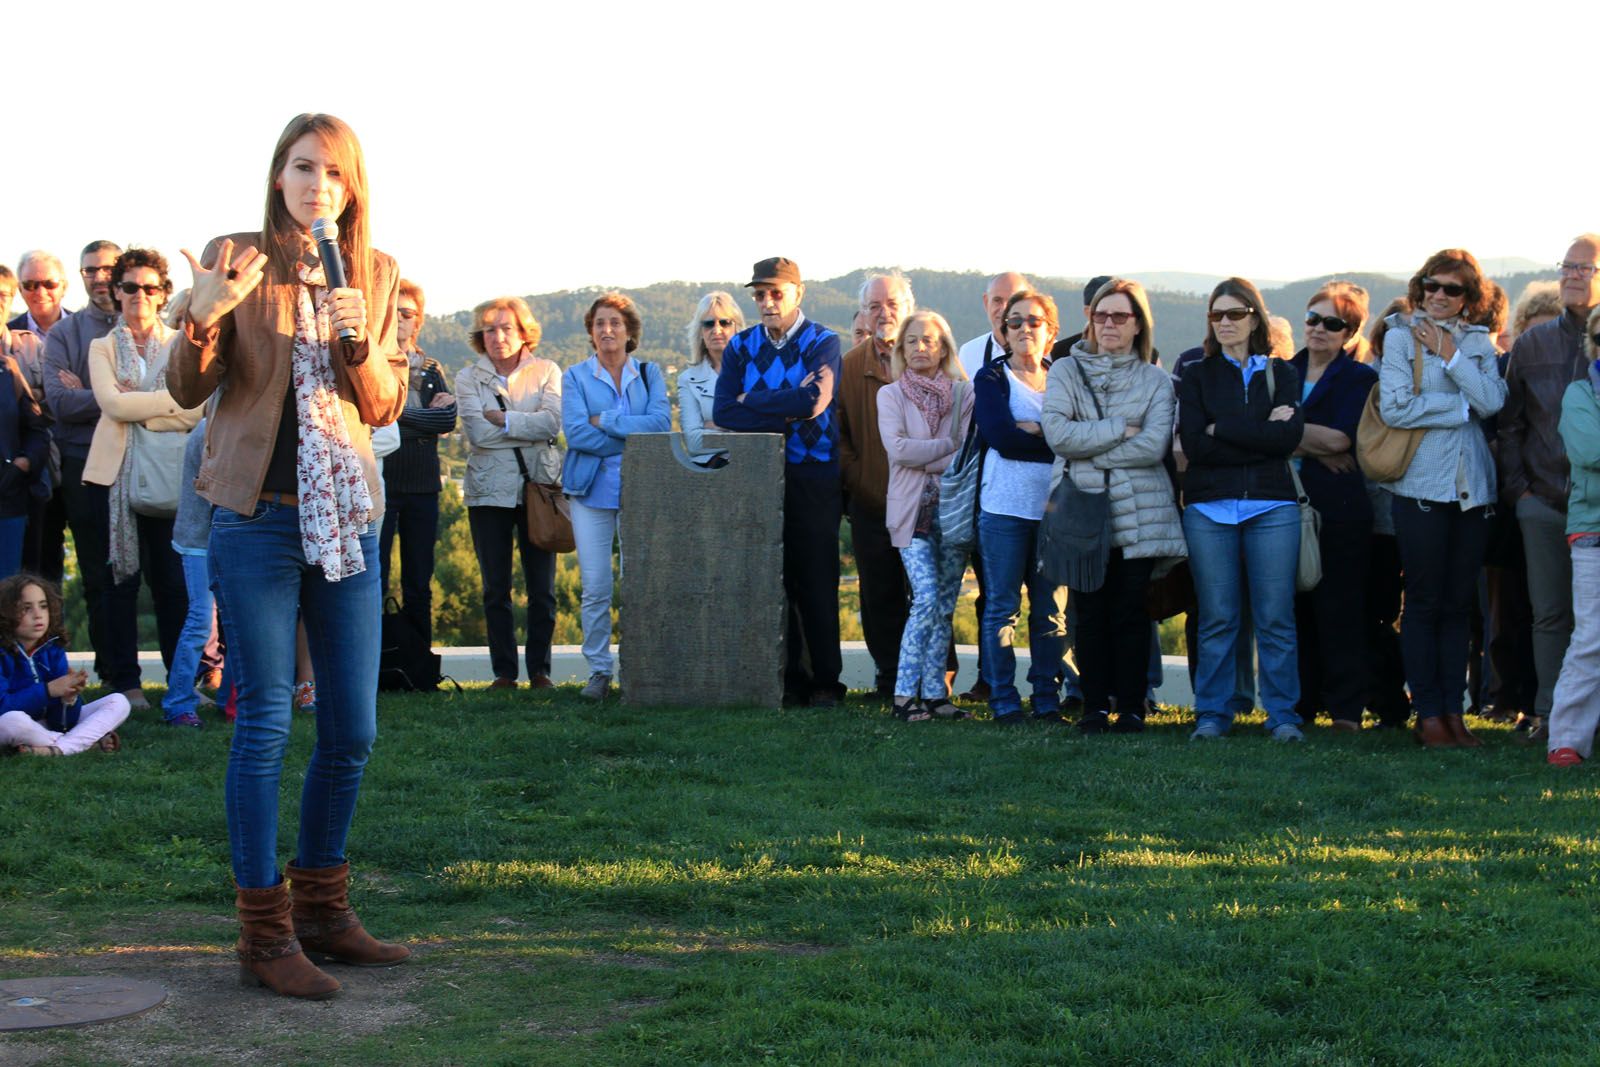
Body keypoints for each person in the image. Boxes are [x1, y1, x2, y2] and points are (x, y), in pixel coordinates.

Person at [167, 113, 412, 999]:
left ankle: (323, 909)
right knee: (267, 718)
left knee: (353, 728)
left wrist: (359, 341)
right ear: (278, 177)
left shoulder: (376, 273)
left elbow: (381, 406)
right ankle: (264, 932)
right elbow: (187, 389)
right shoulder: (236, 256)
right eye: (302, 168)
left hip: (343, 515)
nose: (318, 185)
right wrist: (199, 321)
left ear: (351, 189)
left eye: (334, 173)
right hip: (256, 519)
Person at [1042, 279, 1184, 734]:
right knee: (1088, 610)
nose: (1108, 324)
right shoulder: (1064, 370)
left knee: (1129, 611)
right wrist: (1120, 426)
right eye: (1100, 315)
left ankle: (1131, 707)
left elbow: (1152, 446)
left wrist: (1091, 445)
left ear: (1138, 323)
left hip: (1140, 512)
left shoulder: (1156, 379)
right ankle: (1093, 707)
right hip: (1083, 509)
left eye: (1119, 316)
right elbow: (1058, 435)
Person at [1379, 249, 1507, 748]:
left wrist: (1451, 356)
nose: (1438, 296)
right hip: (1419, 490)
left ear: (1468, 298)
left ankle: (1455, 712)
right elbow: (1395, 408)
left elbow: (1494, 402)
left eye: (1451, 289)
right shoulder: (1398, 337)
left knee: (1459, 608)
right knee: (1425, 603)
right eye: (1431, 285)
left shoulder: (1476, 342)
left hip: (1472, 493)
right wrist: (1460, 404)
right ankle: (1428, 712)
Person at [1177, 278, 1306, 741]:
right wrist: (1256, 433)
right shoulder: (1196, 374)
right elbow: (1194, 445)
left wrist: (1220, 429)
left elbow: (1287, 441)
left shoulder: (1283, 373)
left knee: (1275, 616)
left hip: (1272, 507)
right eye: (1217, 315)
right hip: (1210, 509)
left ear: (1255, 317)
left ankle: (1283, 715)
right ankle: (1212, 712)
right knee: (1217, 617)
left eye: (1235, 314)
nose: (1225, 323)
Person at [713, 257, 844, 707]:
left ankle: (826, 681)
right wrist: (781, 402)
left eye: (776, 292)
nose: (767, 302)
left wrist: (755, 399)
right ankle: (790, 679)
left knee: (817, 578)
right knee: (773, 579)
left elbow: (814, 402)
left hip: (814, 472)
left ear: (797, 293)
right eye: (760, 294)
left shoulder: (823, 341)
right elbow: (723, 411)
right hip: (760, 472)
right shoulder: (741, 345)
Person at [83, 248, 199, 695]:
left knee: (172, 585)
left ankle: (181, 683)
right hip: (111, 477)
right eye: (130, 286)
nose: (140, 295)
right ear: (116, 292)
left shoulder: (179, 345)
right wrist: (165, 403)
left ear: (163, 293)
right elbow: (110, 403)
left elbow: (195, 407)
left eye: (151, 288)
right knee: (119, 584)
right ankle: (127, 685)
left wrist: (142, 409)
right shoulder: (102, 347)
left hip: (170, 476)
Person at [1498, 236, 1600, 741]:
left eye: (1585, 267)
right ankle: (1547, 713)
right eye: (1567, 266)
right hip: (1543, 501)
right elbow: (1511, 424)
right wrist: (1521, 493)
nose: (1573, 275)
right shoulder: (1532, 345)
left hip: (1597, 504)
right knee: (1550, 614)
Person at [562, 292, 671, 700]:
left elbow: (661, 423)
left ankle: (639, 668)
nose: (607, 330)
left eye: (615, 323)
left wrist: (606, 420)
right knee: (595, 586)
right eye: (599, 323)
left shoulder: (649, 373)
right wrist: (631, 437)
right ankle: (599, 671)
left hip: (641, 492)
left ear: (630, 332)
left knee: (639, 583)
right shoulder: (575, 376)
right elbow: (576, 434)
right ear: (591, 332)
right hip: (590, 492)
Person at [43, 240, 135, 705]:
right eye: (89, 271)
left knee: (164, 574)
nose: (99, 278)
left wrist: (97, 394)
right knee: (101, 574)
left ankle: (189, 678)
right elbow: (59, 405)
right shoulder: (66, 334)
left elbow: (174, 396)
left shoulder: (144, 323)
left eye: (107, 269)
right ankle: (115, 672)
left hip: (147, 460)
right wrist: (120, 397)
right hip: (86, 465)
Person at [455, 296, 563, 691]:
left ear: (523, 333)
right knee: (495, 588)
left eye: (506, 328)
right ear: (480, 335)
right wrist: (526, 425)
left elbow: (553, 423)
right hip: (488, 493)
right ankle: (503, 673)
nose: (498, 337)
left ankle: (541, 672)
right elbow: (476, 433)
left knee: (542, 589)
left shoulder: (547, 370)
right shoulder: (468, 377)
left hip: (538, 488)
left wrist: (504, 419)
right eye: (490, 329)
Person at [973, 290, 1068, 724]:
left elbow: (1078, 439)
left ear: (1051, 330)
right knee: (1002, 607)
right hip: (1004, 510)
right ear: (1004, 331)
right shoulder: (990, 379)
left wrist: (1036, 430)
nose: (1024, 329)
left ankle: (1047, 700)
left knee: (1051, 610)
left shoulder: (1065, 378)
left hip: (1055, 511)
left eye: (1034, 321)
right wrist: (1053, 438)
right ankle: (1004, 700)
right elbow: (1000, 437)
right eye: (1015, 322)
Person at [1289, 282, 1379, 731]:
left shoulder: (1361, 379)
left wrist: (1288, 436)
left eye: (1332, 323)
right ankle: (1300, 704)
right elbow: (1259, 434)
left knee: (1340, 607)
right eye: (1312, 319)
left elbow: (1343, 438)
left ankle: (1345, 709)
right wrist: (1315, 444)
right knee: (1295, 609)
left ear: (1350, 333)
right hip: (1285, 505)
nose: (1319, 329)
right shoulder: (1281, 372)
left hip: (1340, 509)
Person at [878, 310, 972, 721]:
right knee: (926, 598)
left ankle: (936, 695)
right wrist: (943, 446)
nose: (920, 347)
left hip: (953, 512)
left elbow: (965, 453)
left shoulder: (964, 395)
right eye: (912, 340)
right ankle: (903, 696)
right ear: (901, 348)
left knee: (946, 604)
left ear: (944, 347)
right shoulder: (891, 396)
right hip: (910, 513)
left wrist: (933, 451)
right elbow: (897, 450)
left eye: (928, 340)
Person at [954, 270, 1031, 702]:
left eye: (1014, 302)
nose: (1005, 309)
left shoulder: (1048, 356)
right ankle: (989, 680)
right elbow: (976, 424)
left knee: (1048, 601)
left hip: (1039, 493)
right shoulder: (969, 352)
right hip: (984, 488)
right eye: (998, 301)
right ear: (986, 303)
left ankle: (1051, 683)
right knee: (993, 594)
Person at [838, 271, 915, 696]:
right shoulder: (848, 367)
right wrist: (858, 479)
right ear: (864, 313)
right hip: (872, 503)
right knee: (879, 595)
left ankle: (934, 676)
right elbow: (839, 435)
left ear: (908, 308)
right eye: (874, 306)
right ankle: (890, 677)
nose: (884, 313)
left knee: (928, 593)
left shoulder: (931, 356)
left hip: (925, 503)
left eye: (892, 304)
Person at [379, 278, 455, 652]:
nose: (400, 321)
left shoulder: (431, 368)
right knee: (374, 579)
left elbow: (447, 421)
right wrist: (420, 419)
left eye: (407, 314)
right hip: (381, 484)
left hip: (423, 488)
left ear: (418, 321)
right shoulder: (373, 365)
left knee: (418, 582)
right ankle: (374, 663)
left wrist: (397, 420)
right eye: (393, 313)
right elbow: (373, 420)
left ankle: (418, 659)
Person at [1546, 305, 1600, 765]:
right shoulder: (1580, 394)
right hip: (1594, 532)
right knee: (1592, 639)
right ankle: (1567, 740)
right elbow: (1589, 450)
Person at [0, 575, 128, 756]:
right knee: (12, 721)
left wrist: (69, 699)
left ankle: (54, 749)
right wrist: (49, 690)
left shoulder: (53, 648)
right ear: (6, 613)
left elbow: (62, 723)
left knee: (119, 702)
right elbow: (3, 707)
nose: (38, 614)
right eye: (26, 608)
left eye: (43, 606)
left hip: (44, 727)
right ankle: (86, 744)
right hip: (13, 723)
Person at [0, 278, 48, 576]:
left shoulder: (8, 369)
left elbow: (37, 430)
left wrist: (23, 463)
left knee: (7, 598)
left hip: (6, 501)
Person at [678, 291, 743, 459]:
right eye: (708, 324)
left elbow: (763, 432)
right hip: (708, 475)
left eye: (725, 322)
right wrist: (739, 427)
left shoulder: (755, 372)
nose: (717, 329)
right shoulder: (687, 380)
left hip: (750, 470)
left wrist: (714, 425)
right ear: (700, 331)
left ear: (737, 327)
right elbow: (693, 442)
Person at [11, 251, 69, 338]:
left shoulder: (87, 329)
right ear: (20, 290)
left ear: (64, 287)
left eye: (50, 284)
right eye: (30, 285)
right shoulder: (6, 336)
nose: (41, 293)